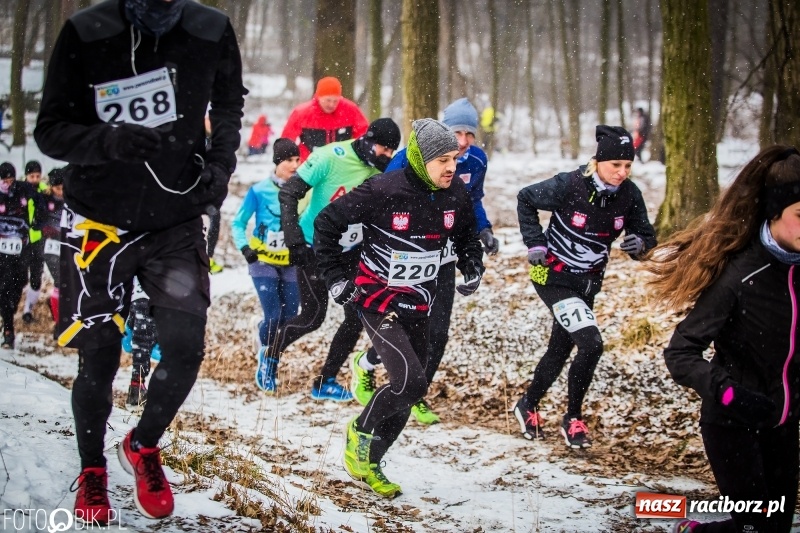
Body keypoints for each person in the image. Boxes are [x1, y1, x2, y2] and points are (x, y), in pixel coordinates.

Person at [34, 0, 245, 523]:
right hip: (100, 221)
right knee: (99, 359)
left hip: (175, 219)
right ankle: (92, 471)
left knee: (184, 348)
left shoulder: (210, 28)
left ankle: (142, 445)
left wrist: (220, 165)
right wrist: (107, 141)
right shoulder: (88, 30)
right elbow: (49, 131)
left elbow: (229, 108)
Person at [314, 118, 484, 498]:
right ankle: (358, 431)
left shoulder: (455, 193)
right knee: (412, 383)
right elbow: (326, 224)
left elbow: (467, 237)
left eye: (454, 158)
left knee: (407, 392)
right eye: (442, 160)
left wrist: (473, 267)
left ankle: (371, 462)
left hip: (419, 303)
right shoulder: (383, 189)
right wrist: (337, 279)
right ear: (421, 159)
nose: (451, 167)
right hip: (377, 301)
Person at [646, 146, 800, 533]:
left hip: (784, 424)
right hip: (732, 424)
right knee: (755, 528)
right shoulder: (740, 274)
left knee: (774, 528)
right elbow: (680, 353)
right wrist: (731, 395)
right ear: (776, 211)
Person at [351, 97, 498, 425]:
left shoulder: (476, 161)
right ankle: (368, 364)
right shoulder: (409, 157)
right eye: (458, 132)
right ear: (446, 129)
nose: (464, 142)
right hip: (405, 253)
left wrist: (483, 231)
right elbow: (383, 199)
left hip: (443, 258)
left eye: (470, 135)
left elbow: (471, 201)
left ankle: (416, 393)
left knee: (438, 333)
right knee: (400, 324)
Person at [513, 125, 656, 449]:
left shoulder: (629, 195)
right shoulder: (570, 185)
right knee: (591, 344)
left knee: (560, 348)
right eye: (615, 165)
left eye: (628, 166)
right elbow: (525, 198)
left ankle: (528, 403)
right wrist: (535, 243)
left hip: (588, 284)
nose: (622, 172)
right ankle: (572, 418)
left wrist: (641, 245)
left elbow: (646, 235)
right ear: (598, 161)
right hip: (551, 276)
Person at [270, 118, 400, 400]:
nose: (387, 156)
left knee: (354, 317)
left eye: (392, 152)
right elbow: (289, 193)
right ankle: (271, 353)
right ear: (368, 139)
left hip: (350, 251)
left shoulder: (381, 171)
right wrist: (293, 239)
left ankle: (325, 380)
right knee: (313, 317)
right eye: (384, 149)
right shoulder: (329, 156)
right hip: (313, 246)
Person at [231, 138, 301, 391]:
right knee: (274, 316)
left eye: (297, 160)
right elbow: (238, 223)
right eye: (288, 160)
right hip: (262, 261)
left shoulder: (304, 190)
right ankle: (266, 362)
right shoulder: (259, 190)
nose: (294, 165)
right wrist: (245, 248)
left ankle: (267, 342)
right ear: (277, 162)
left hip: (291, 261)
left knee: (291, 316)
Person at [281, 76, 369, 162]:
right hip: (309, 163)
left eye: (335, 101)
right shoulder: (302, 113)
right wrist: (289, 161)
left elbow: (363, 135)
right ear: (319, 97)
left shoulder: (350, 110)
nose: (331, 105)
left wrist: (358, 156)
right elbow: (287, 140)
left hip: (342, 162)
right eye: (328, 100)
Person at [0, 162, 40, 349]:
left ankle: (9, 310)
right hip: (1, 251)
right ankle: (8, 330)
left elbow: (40, 200)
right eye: (4, 181)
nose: (8, 184)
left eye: (10, 180)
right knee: (4, 287)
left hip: (21, 248)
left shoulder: (22, 189)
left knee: (20, 282)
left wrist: (38, 221)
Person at [20, 160, 48, 324]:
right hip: (22, 240)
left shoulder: (44, 191)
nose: (35, 179)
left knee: (36, 276)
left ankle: (27, 309)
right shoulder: (19, 190)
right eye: (32, 176)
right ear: (26, 176)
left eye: (38, 176)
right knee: (20, 275)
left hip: (39, 240)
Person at [39, 167, 66, 331]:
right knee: (60, 281)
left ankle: (61, 318)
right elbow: (38, 220)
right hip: (50, 246)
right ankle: (58, 322)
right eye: (57, 188)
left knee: (65, 283)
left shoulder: (71, 198)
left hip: (67, 245)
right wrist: (46, 229)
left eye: (63, 188)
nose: (60, 191)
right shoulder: (45, 199)